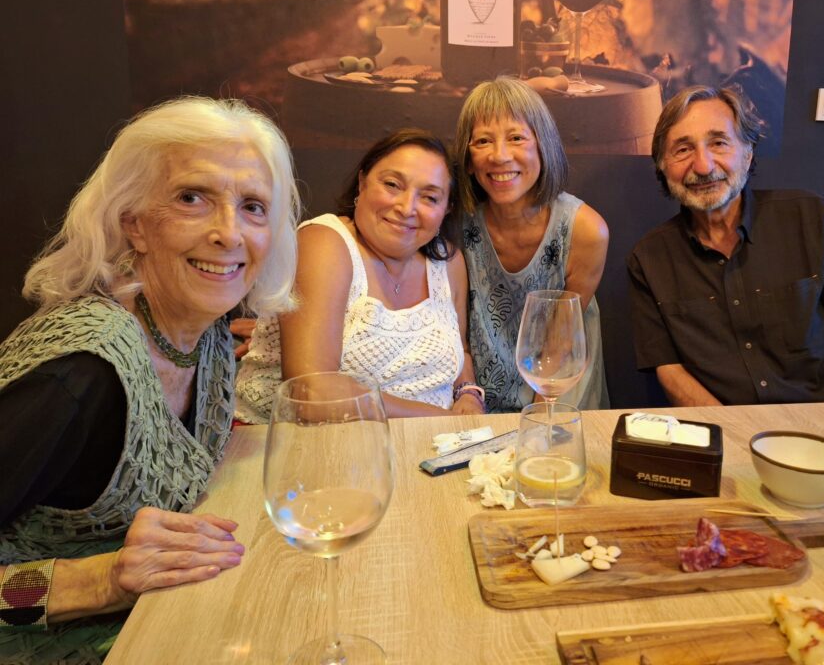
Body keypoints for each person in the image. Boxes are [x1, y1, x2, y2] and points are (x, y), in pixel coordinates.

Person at [0, 96, 300, 661]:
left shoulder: (203, 329)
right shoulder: (81, 374)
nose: (229, 233)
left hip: (161, 626)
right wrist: (101, 580)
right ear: (133, 223)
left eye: (254, 207)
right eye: (193, 198)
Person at [627, 85, 824, 411]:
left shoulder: (814, 219)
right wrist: (734, 438)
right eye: (682, 150)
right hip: (722, 436)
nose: (704, 165)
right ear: (663, 167)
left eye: (719, 143)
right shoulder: (650, 258)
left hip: (822, 432)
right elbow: (669, 368)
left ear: (748, 151)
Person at [236, 129, 483, 420]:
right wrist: (444, 422)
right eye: (392, 185)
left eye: (429, 197)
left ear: (447, 209)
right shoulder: (324, 242)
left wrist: (467, 393)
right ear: (363, 182)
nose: (406, 208)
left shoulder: (447, 259)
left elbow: (460, 351)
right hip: (297, 445)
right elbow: (310, 392)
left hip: (428, 450)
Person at [453, 76, 610, 412]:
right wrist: (467, 394)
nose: (500, 156)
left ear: (543, 145)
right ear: (467, 159)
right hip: (472, 395)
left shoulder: (585, 230)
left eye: (516, 137)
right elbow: (454, 331)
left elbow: (560, 344)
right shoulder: (454, 224)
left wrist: (537, 425)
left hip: (558, 388)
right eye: (482, 141)